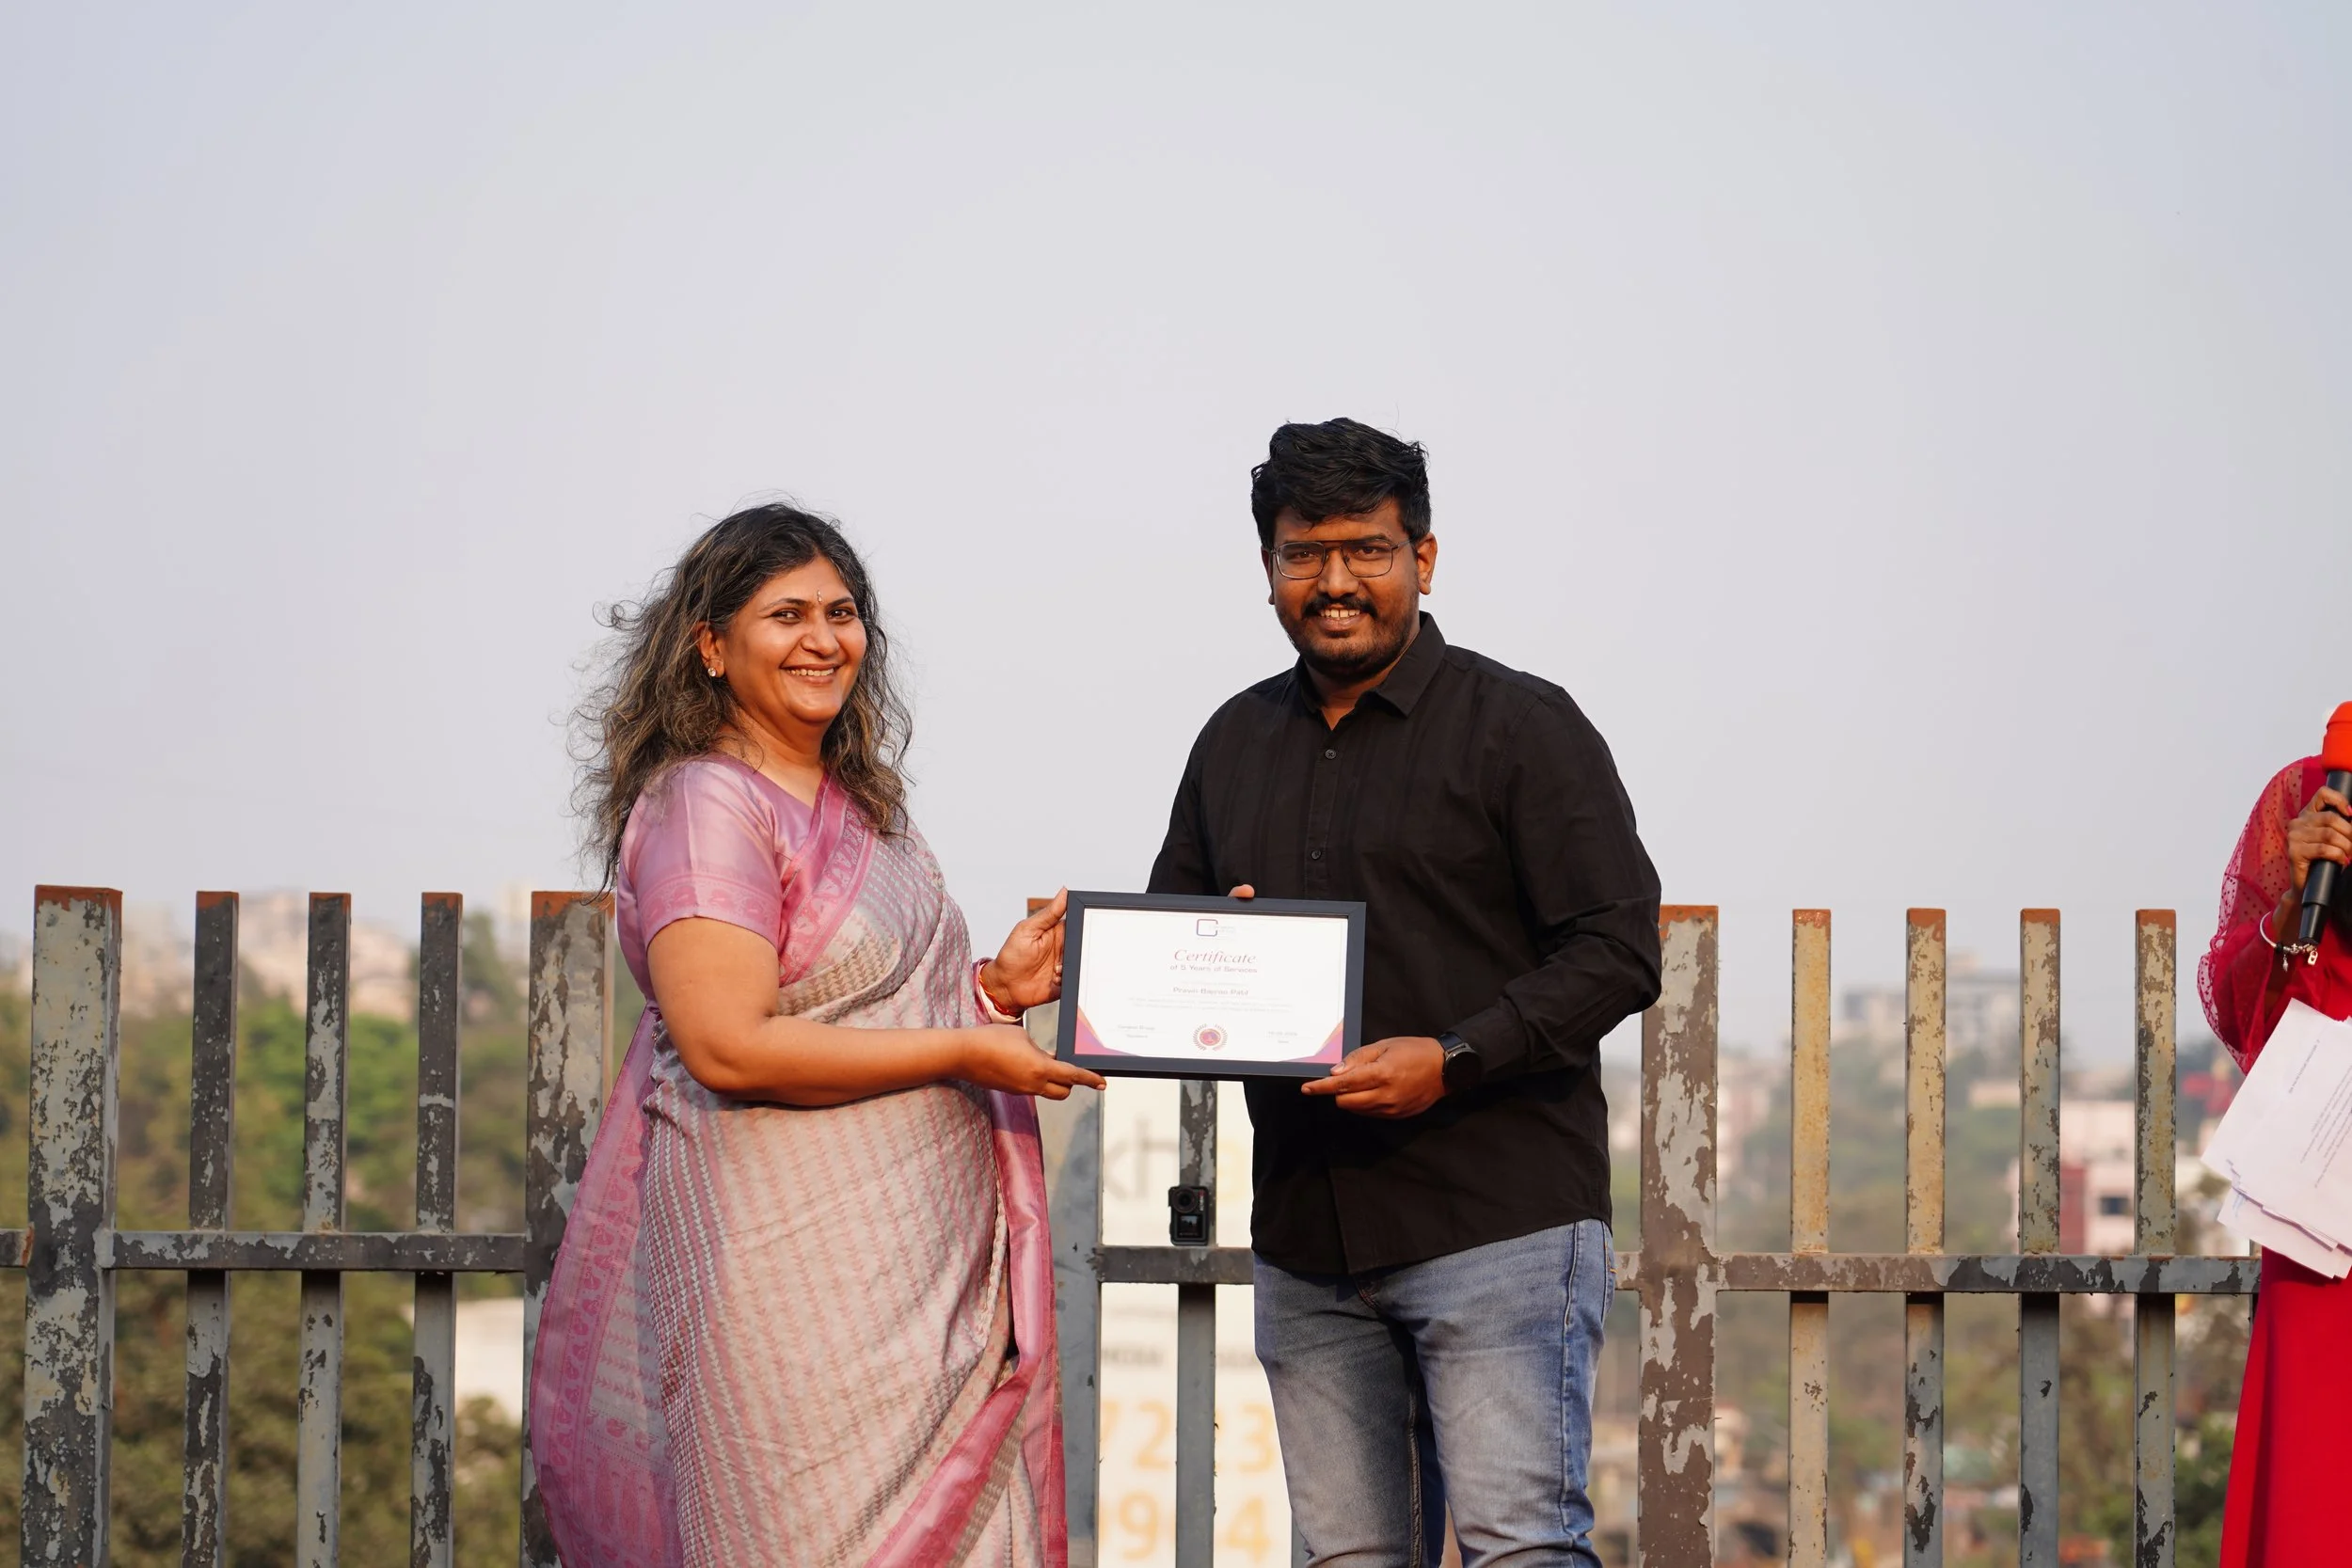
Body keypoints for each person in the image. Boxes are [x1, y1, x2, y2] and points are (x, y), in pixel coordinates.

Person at [528, 502, 1103, 1568]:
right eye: (784, 613)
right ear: (709, 645)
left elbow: (862, 1015)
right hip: (784, 1297)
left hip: (923, 1296)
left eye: (842, 613)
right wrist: (968, 1051)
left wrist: (986, 994)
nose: (823, 638)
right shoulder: (709, 803)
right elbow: (729, 1046)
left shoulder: (864, 807)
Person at [1148, 419, 1662, 1567]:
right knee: (1344, 1559)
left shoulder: (1522, 726)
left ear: (1423, 558)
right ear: (1269, 567)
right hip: (1305, 1234)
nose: (1335, 582)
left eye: (1368, 550)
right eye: (1303, 552)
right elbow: (1172, 953)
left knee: (1518, 1546)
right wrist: (1195, 961)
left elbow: (1622, 946)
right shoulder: (1231, 742)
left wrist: (1456, 1055)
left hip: (1497, 1223)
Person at [2201, 731, 2352, 1568]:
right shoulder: (2311, 790)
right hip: (2329, 1219)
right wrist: (2294, 904)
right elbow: (2238, 1008)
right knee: (2318, 1499)